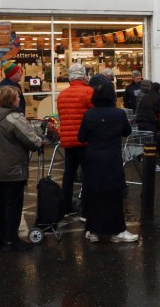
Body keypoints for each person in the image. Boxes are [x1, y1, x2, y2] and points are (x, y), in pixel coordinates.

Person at [77, 78, 139, 243]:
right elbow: (127, 131)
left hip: (93, 158)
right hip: (112, 158)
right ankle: (118, 230)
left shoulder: (89, 114)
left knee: (94, 194)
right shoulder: (119, 113)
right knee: (114, 196)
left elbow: (81, 137)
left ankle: (93, 230)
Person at [0, 85, 44, 251]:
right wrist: (40, 140)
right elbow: (32, 141)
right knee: (13, 203)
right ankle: (11, 240)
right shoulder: (14, 118)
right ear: (11, 100)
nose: (19, 99)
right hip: (12, 168)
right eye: (17, 97)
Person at [56, 63, 93, 215]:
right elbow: (93, 115)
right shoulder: (88, 92)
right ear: (83, 75)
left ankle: (66, 207)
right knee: (88, 175)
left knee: (69, 175)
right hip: (84, 141)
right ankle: (86, 207)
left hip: (68, 141)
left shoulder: (62, 95)